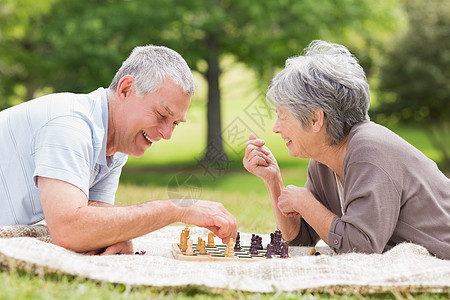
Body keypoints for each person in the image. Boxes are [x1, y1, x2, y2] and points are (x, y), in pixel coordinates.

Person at [0, 45, 236, 255]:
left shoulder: (114, 145)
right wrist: (175, 209)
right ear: (125, 89)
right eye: (161, 115)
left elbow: (94, 216)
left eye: (175, 123)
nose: (167, 134)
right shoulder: (69, 124)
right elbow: (69, 229)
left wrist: (117, 234)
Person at [243, 40, 450, 259]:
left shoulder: (369, 150)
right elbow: (301, 239)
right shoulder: (323, 161)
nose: (276, 128)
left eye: (282, 115)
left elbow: (361, 249)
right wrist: (273, 181)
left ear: (315, 119)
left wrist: (305, 202)